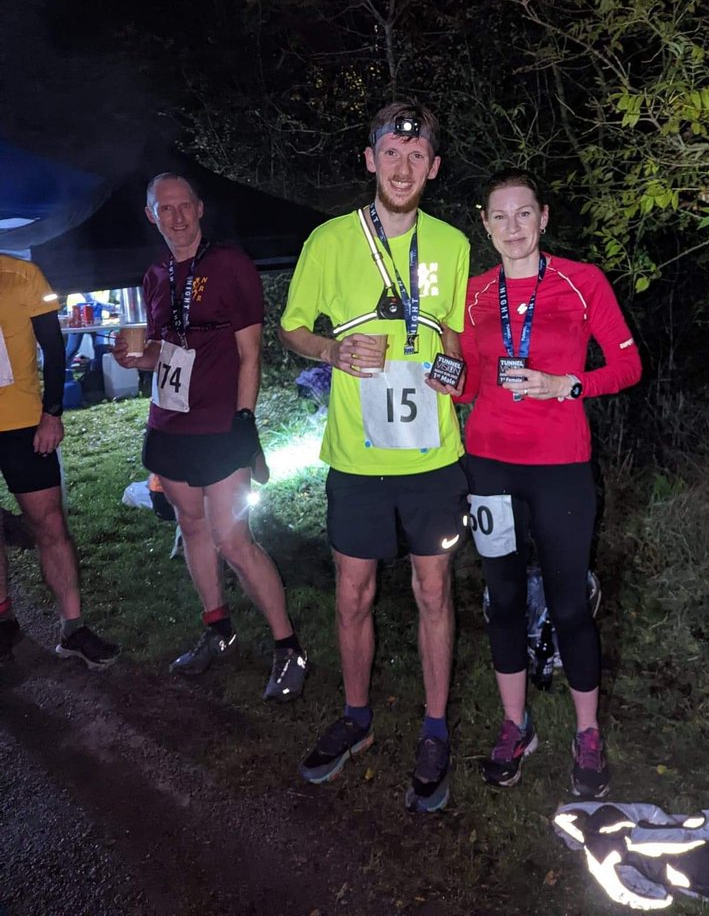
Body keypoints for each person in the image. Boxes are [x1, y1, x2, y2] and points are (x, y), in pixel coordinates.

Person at [279, 100, 470, 814]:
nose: (402, 166)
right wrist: (332, 351)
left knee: (432, 593)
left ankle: (434, 729)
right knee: (353, 593)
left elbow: (455, 339)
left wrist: (448, 368)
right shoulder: (329, 240)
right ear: (369, 159)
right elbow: (294, 327)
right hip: (356, 461)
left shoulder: (451, 244)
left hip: (430, 457)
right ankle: (356, 719)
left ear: (434, 168)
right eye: (391, 152)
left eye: (417, 157)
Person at [456, 169, 642, 797]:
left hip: (562, 465)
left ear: (543, 218)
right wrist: (444, 378)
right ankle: (516, 726)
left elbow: (627, 364)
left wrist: (569, 384)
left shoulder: (582, 281)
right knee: (502, 599)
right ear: (484, 224)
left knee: (568, 605)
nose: (513, 228)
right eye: (500, 217)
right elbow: (472, 381)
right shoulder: (475, 293)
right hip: (489, 463)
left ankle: (587, 736)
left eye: (524, 214)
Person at [112, 173, 306, 702]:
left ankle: (288, 647)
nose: (175, 217)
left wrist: (246, 420)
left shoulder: (230, 265)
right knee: (192, 528)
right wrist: (135, 356)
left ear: (199, 209)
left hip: (221, 425)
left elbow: (250, 352)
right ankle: (218, 629)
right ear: (151, 215)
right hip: (168, 424)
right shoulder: (153, 276)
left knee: (234, 540)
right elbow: (161, 348)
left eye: (183, 206)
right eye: (163, 208)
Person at [0, 255, 120, 667]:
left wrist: (52, 413)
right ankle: (3, 621)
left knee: (50, 524)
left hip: (22, 425)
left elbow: (54, 348)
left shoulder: (22, 275)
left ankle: (74, 628)